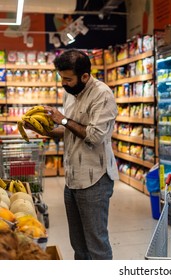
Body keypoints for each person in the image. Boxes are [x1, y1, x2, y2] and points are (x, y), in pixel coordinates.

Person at [24, 49, 119, 260]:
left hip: (94, 179)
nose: (63, 84)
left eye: (68, 79)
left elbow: (93, 136)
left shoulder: (102, 95)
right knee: (78, 244)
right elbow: (69, 131)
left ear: (84, 76)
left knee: (96, 245)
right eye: (62, 79)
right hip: (73, 178)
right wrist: (43, 130)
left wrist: (63, 119)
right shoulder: (70, 93)